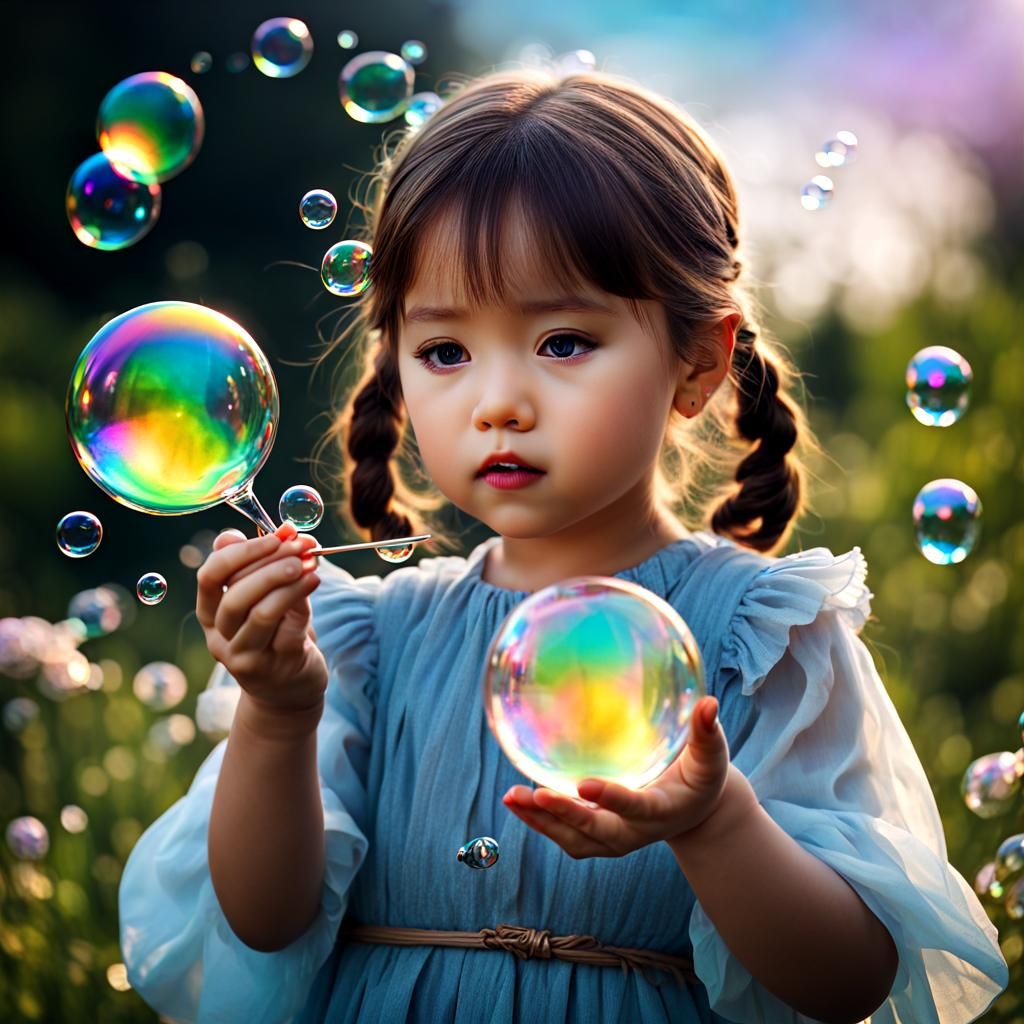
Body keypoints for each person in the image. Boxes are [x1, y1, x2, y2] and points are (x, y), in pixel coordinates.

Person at [118, 67, 1008, 1023]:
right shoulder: (361, 641)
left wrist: (713, 821)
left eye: (564, 342)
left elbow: (848, 982)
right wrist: (280, 712)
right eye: (447, 352)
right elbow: (264, 918)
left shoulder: (758, 637)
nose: (499, 401)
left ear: (697, 361)